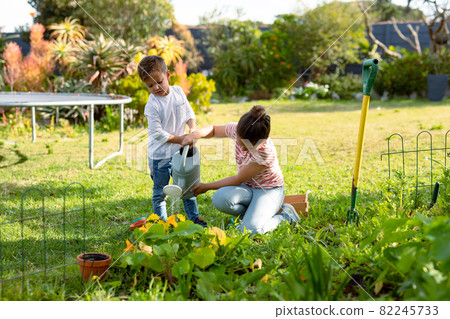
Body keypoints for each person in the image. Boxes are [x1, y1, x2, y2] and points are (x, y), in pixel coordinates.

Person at [182, 105, 299, 234]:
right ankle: (253, 216)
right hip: (248, 187)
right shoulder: (237, 129)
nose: (242, 149)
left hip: (268, 190)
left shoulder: (265, 153)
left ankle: (286, 216)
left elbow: (238, 179)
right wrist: (195, 135)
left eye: (248, 147)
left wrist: (206, 186)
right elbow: (214, 130)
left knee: (252, 230)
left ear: (262, 141)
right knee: (220, 199)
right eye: (240, 143)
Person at [137, 55, 207, 227]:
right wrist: (181, 139)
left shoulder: (178, 92)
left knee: (187, 188)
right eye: (150, 85)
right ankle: (161, 223)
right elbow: (158, 133)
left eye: (159, 82)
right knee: (160, 193)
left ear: (167, 75)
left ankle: (194, 218)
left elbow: (189, 113)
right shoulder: (152, 105)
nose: (156, 87)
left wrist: (191, 130)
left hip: (179, 153)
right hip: (159, 157)